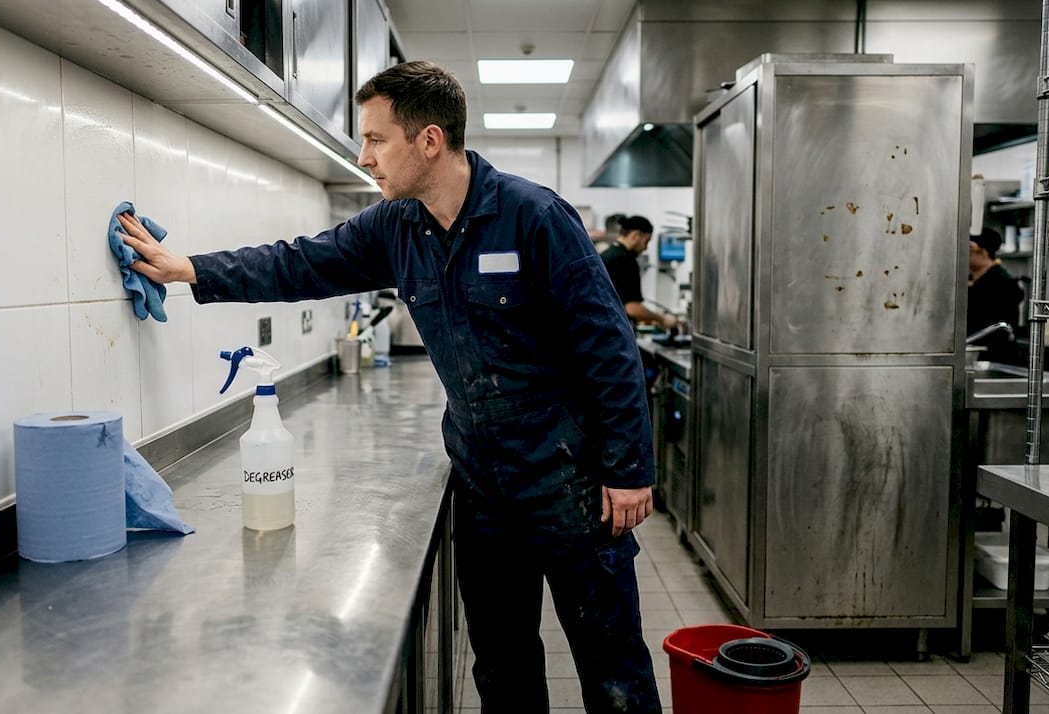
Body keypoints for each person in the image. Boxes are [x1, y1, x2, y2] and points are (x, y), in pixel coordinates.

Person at [119, 61, 662, 713]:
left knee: (613, 674)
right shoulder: (395, 227)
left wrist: (629, 469)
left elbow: (608, 344)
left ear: (428, 141)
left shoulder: (534, 216)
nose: (365, 155)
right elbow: (303, 262)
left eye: (376, 139)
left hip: (569, 483)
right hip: (485, 489)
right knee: (504, 668)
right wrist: (190, 270)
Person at [600, 215, 678, 331]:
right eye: (646, 242)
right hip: (615, 333)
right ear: (635, 236)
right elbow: (632, 308)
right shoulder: (626, 260)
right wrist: (662, 319)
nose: (645, 248)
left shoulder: (606, 255)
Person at [967, 227, 1023, 362]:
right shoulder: (969, 280)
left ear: (983, 252)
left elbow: (997, 327)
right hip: (972, 352)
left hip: (996, 355)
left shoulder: (1003, 282)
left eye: (969, 250)